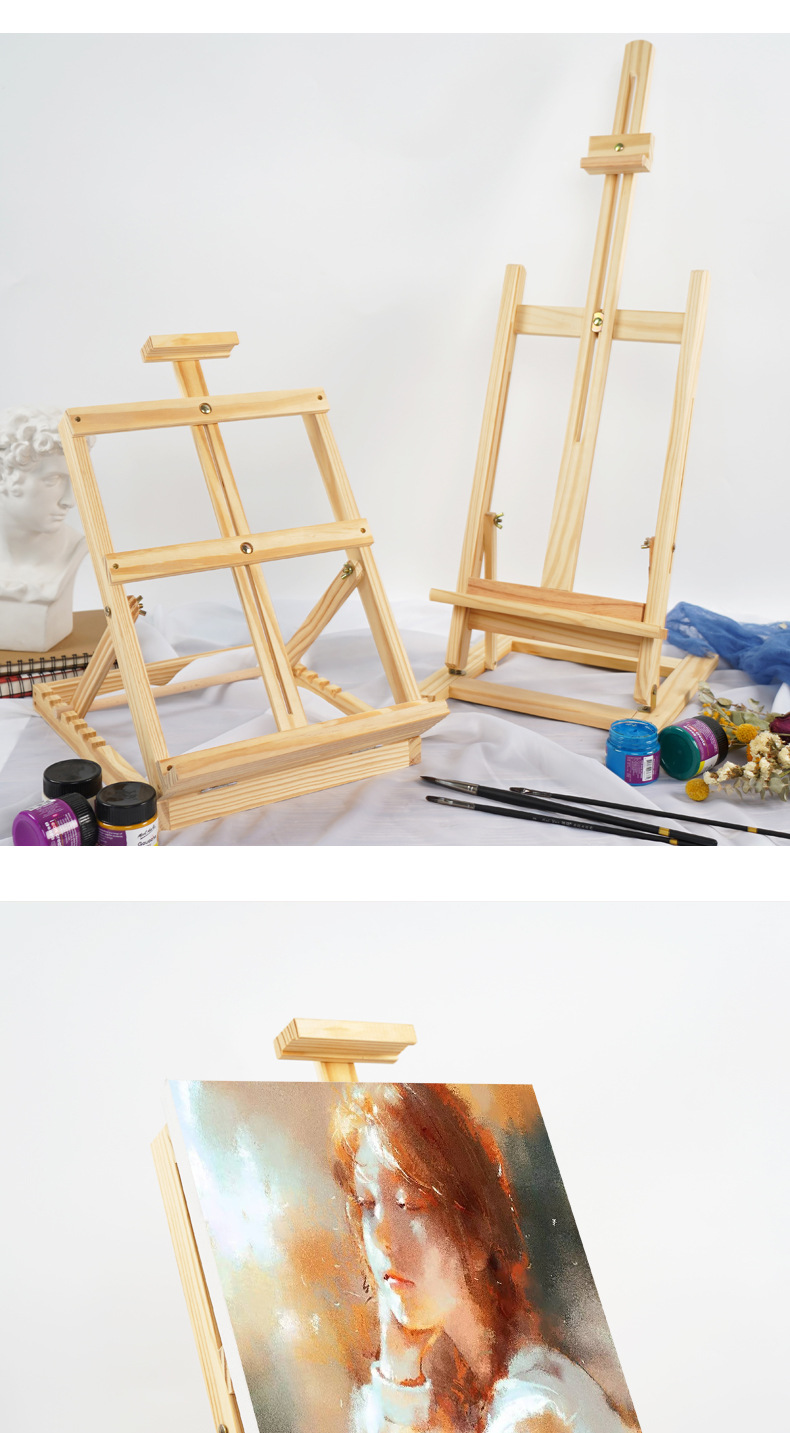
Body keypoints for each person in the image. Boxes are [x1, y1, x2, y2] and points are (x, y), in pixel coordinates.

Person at [331, 1084, 636, 1433]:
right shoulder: (449, 1391)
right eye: (368, 1204)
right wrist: (398, 1364)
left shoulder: (533, 1407)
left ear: (476, 1234)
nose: (381, 1236)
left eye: (409, 1204)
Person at [0, 407, 88, 648]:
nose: (69, 501)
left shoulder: (74, 548)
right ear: (4, 476)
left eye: (73, 480)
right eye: (53, 479)